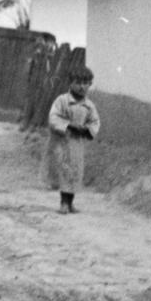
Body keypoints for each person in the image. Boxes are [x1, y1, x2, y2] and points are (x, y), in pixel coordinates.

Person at [46, 68, 100, 213]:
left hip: (77, 144)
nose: (82, 87)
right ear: (70, 83)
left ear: (90, 84)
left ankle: (70, 203)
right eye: (78, 83)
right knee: (65, 171)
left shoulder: (89, 106)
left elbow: (95, 122)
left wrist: (87, 130)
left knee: (76, 172)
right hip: (63, 142)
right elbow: (53, 118)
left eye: (85, 83)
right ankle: (63, 202)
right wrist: (68, 125)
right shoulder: (62, 101)